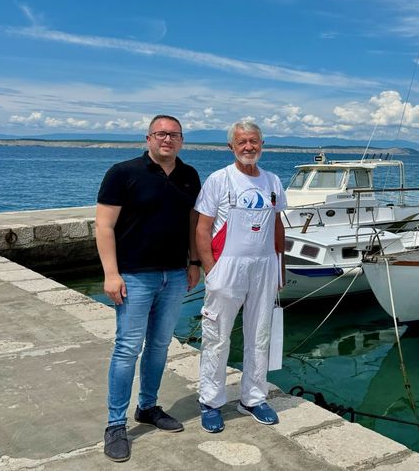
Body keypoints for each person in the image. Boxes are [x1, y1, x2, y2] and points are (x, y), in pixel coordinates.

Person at [95, 114, 201, 462]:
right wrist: (112, 274)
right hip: (135, 276)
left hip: (173, 275)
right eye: (161, 134)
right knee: (127, 348)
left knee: (159, 345)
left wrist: (194, 261)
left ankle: (148, 407)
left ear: (181, 140)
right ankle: (115, 425)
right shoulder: (123, 173)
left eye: (174, 135)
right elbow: (104, 226)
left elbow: (192, 223)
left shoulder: (188, 176)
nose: (167, 140)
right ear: (148, 138)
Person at [194, 121, 286, 433]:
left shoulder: (272, 181)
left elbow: (277, 224)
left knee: (259, 335)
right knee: (217, 337)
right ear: (232, 147)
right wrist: (212, 270)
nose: (249, 147)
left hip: (264, 266)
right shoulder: (220, 180)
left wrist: (280, 266)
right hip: (227, 267)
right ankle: (210, 401)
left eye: (254, 141)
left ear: (262, 145)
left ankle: (253, 398)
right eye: (242, 142)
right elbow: (203, 228)